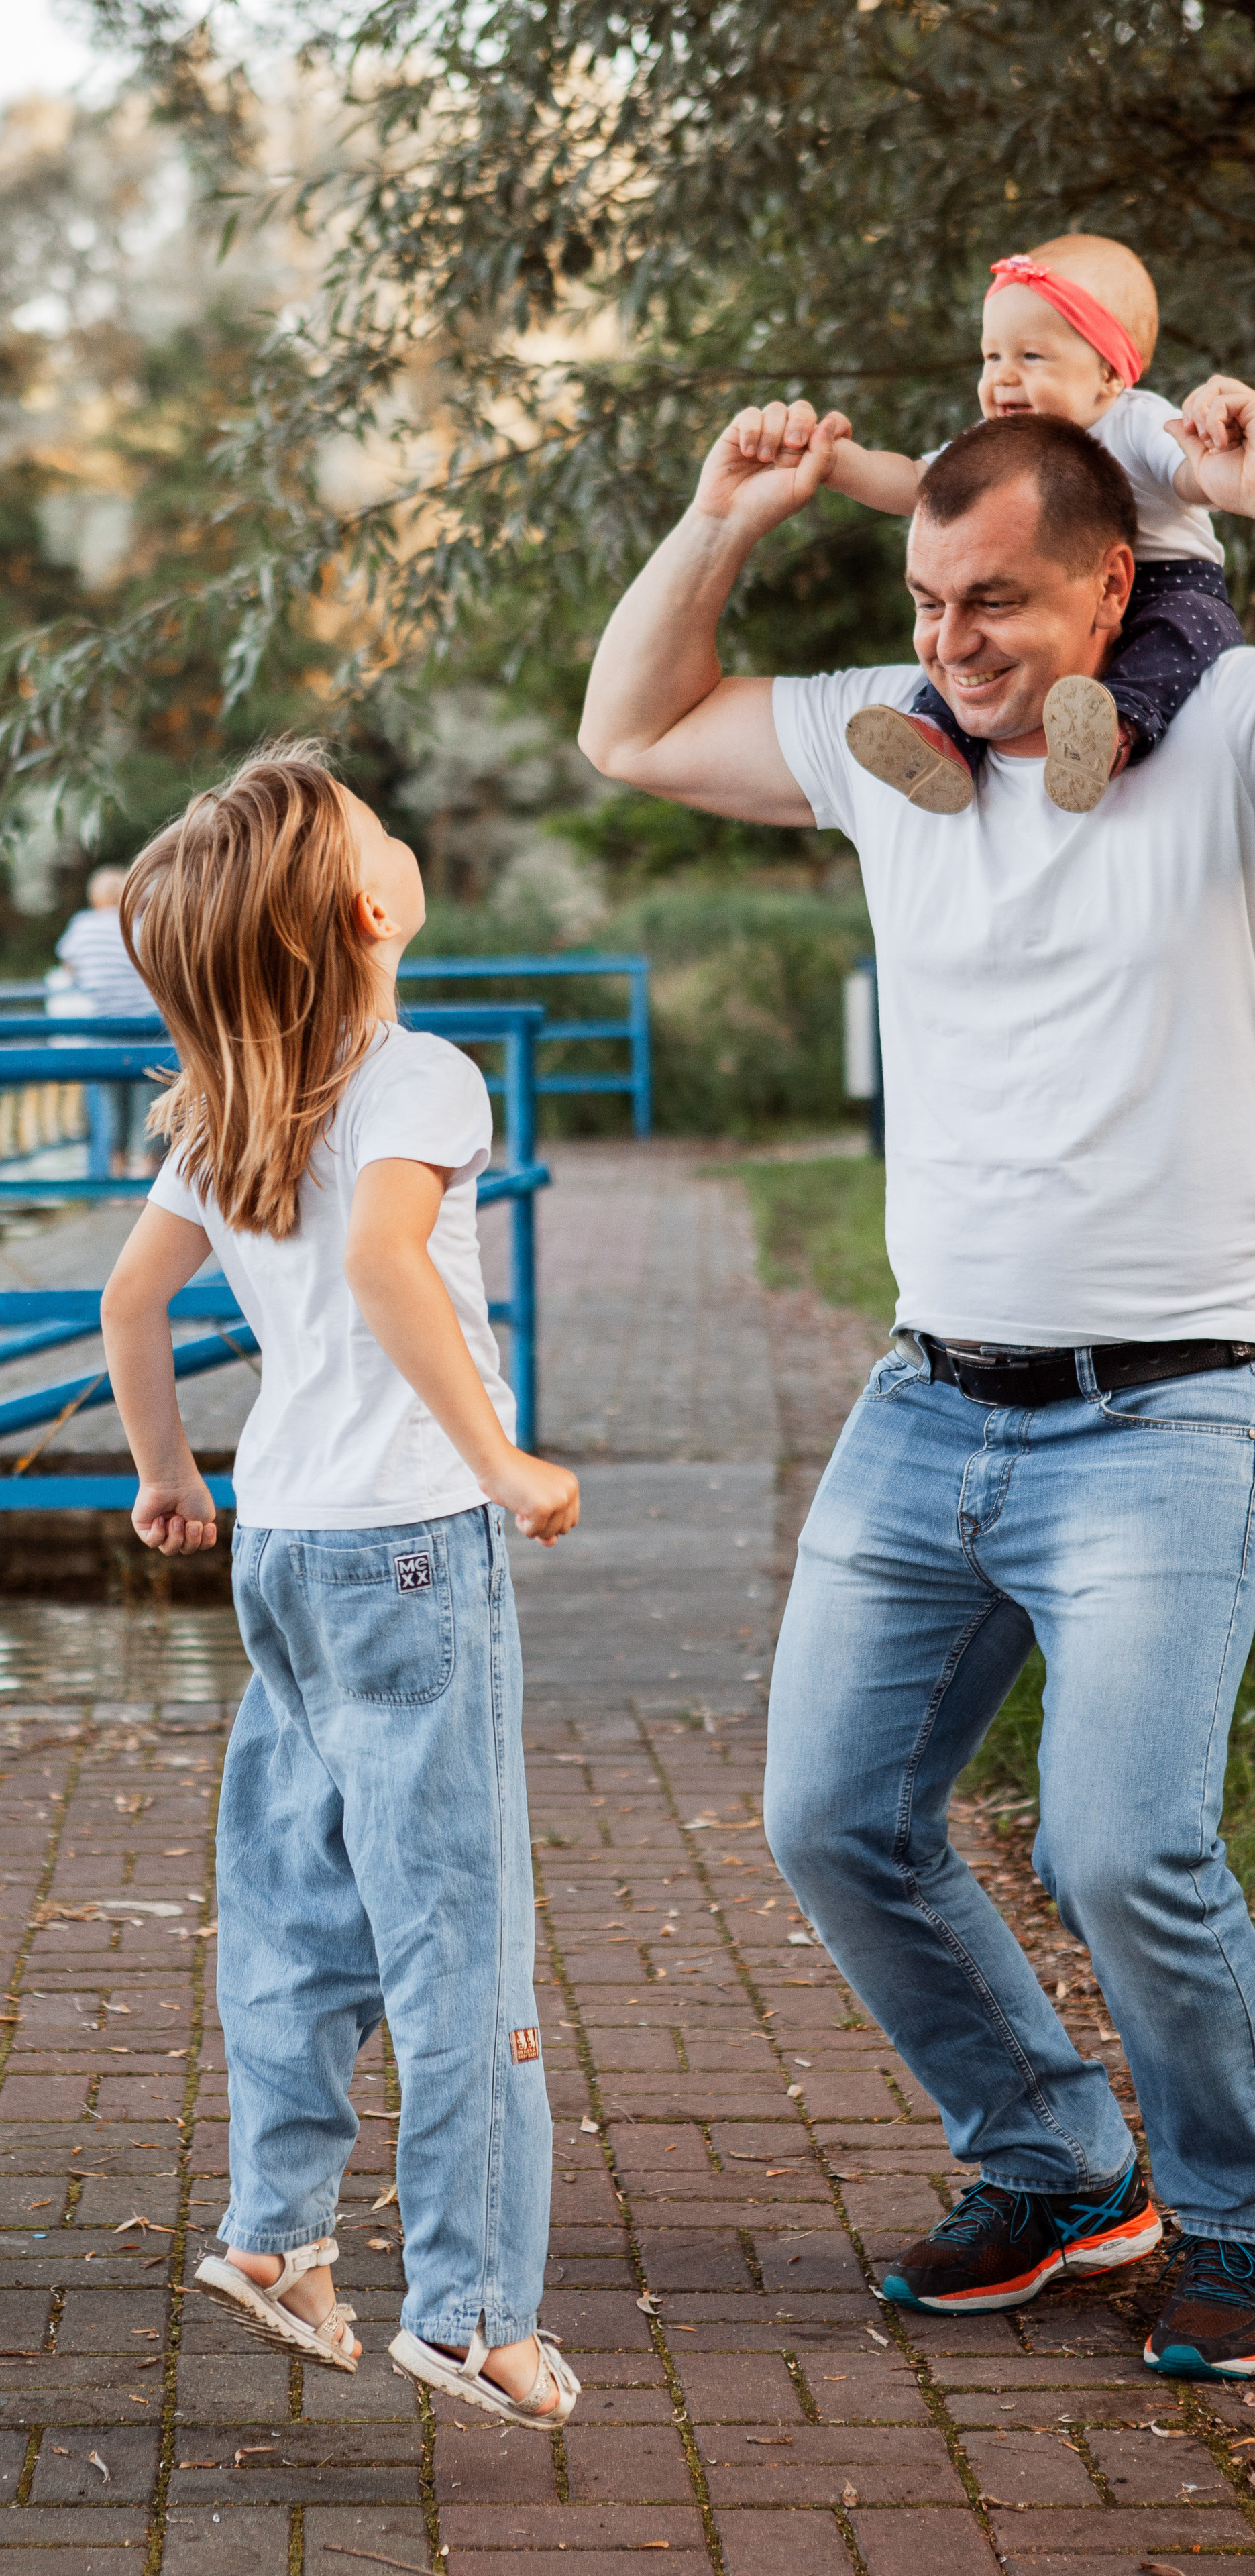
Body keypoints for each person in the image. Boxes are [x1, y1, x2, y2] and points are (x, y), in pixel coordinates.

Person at [578, 393, 1255, 2379]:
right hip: (923, 1405)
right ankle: (1056, 2161)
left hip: (1165, 1411)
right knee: (827, 1815)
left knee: (1124, 1845)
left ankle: (1230, 2210)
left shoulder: (1210, 735)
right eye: (927, 598)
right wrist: (715, 513)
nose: (953, 639)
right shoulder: (894, 744)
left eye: (1000, 603)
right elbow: (628, 728)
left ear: (1112, 577)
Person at [99, 745, 583, 2428]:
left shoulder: (233, 1101)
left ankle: (274, 2231)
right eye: (383, 830)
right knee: (459, 1936)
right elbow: (385, 1260)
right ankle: (470, 2311)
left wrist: (166, 1473)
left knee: (305, 1906)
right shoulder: (418, 1073)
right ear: (372, 906)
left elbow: (129, 1303)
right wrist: (505, 1463)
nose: (398, 840)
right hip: (407, 1543)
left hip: (287, 1544)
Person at [804, 233, 1245, 814]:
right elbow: (916, 481)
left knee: (1185, 633)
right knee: (963, 657)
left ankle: (1109, 733)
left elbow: (1187, 476)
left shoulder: (1137, 422)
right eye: (992, 357)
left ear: (1109, 375)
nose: (1003, 378)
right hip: (1056, 595)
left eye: (1030, 356)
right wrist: (837, 463)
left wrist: (1218, 474)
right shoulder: (994, 449)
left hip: (1169, 584)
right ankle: (939, 743)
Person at [53, 862, 160, 1177]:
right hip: (148, 1029)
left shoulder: (82, 926)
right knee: (150, 1105)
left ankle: (114, 1174)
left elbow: (68, 965)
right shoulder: (140, 927)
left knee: (111, 1108)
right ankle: (145, 1173)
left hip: (103, 1029)